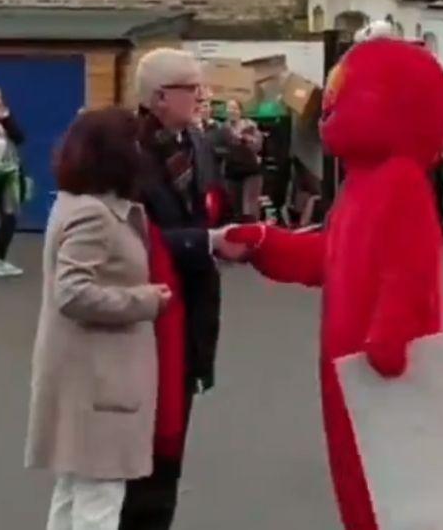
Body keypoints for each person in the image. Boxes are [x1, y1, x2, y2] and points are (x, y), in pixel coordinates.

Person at [224, 38, 443, 530]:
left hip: (377, 365)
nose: (329, 110)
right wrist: (264, 241)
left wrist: (389, 337)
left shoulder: (400, 181)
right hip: (347, 365)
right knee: (359, 489)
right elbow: (331, 255)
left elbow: (408, 272)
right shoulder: (360, 184)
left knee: (392, 496)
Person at [26, 107, 173, 530]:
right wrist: (143, 300)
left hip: (84, 379)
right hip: (98, 381)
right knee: (99, 502)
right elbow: (72, 292)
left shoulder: (77, 205)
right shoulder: (95, 215)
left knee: (73, 492)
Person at [126, 48, 248, 530]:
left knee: (172, 449)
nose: (203, 96)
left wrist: (226, 236)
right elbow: (130, 240)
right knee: (140, 454)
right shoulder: (125, 152)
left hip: (191, 316)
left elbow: (208, 209)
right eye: (192, 88)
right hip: (143, 319)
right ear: (159, 97)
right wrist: (207, 241)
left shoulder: (197, 143)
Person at [0, 85, 26, 277]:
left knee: (9, 218)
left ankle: (1, 259)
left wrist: (6, 119)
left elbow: (20, 138)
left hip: (7, 175)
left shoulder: (5, 120)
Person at [219, 100, 264, 222]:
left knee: (249, 208)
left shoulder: (250, 126)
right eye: (229, 108)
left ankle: (254, 235)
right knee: (235, 209)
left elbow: (258, 146)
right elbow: (221, 147)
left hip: (250, 170)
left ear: (240, 111)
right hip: (232, 171)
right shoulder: (223, 129)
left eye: (234, 108)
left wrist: (246, 140)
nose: (231, 111)